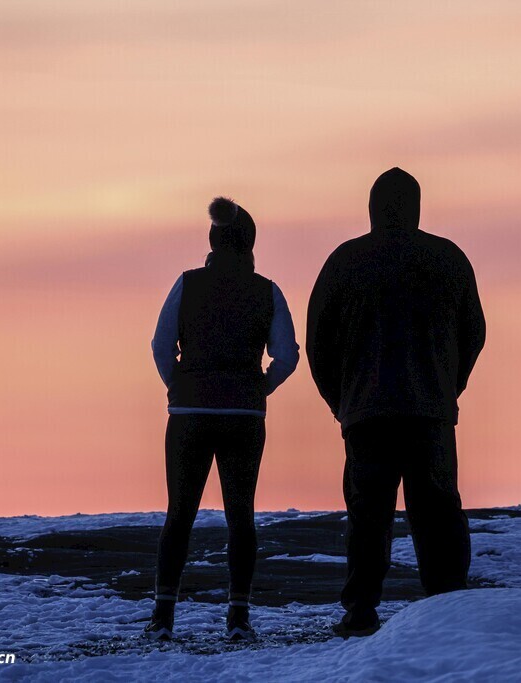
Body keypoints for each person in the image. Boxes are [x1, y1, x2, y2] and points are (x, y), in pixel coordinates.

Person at [306, 167, 486, 637]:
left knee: (368, 517)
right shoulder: (448, 259)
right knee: (439, 512)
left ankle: (361, 610)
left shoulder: (345, 262)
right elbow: (474, 334)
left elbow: (317, 343)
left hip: (366, 413)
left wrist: (342, 402)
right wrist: (448, 387)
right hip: (429, 412)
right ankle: (447, 607)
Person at [148, 197, 299, 642]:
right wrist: (261, 387)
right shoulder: (267, 290)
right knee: (241, 515)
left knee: (179, 514)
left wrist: (180, 385)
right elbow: (287, 356)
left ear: (212, 241)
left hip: (189, 412)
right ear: (251, 244)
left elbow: (160, 345)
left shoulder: (187, 284)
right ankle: (237, 617)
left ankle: (163, 616)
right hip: (244, 414)